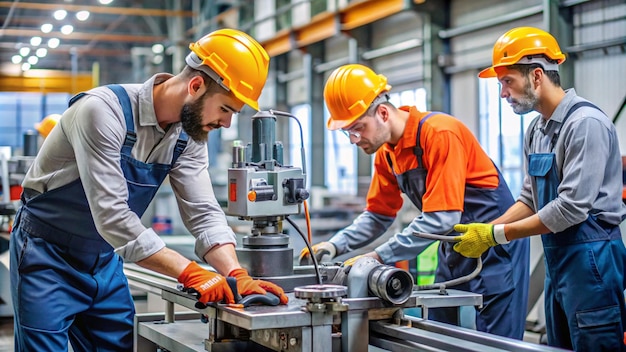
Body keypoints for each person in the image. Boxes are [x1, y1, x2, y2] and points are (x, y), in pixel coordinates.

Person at [9, 28, 288, 351]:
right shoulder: (101, 112)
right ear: (195, 86)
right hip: (46, 255)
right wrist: (190, 272)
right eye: (225, 109)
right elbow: (112, 216)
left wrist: (235, 272)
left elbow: (203, 212)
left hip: (104, 257)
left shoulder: (189, 136)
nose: (226, 123)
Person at [301, 64, 530, 339]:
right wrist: (334, 244)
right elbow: (378, 215)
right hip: (454, 248)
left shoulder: (440, 133)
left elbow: (442, 218)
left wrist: (377, 256)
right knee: (440, 333)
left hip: (494, 249)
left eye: (358, 128)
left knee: (495, 339)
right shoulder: (386, 154)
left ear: (383, 113)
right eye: (347, 132)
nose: (353, 140)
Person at [453, 26, 626, 351]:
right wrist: (486, 229)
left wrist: (498, 235)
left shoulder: (585, 124)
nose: (502, 93)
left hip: (593, 261)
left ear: (535, 76)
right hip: (558, 261)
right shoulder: (538, 129)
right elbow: (530, 199)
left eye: (507, 82)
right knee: (558, 345)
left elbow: (571, 208)